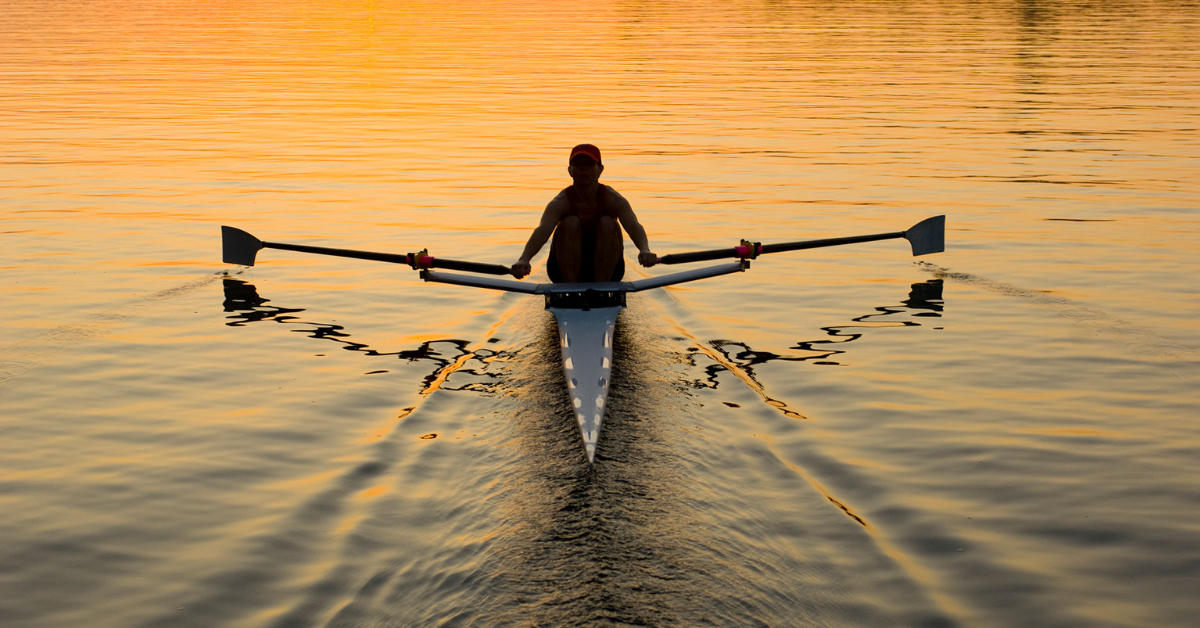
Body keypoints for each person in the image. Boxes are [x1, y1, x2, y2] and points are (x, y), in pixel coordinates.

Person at [511, 144, 657, 282]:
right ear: (570, 171)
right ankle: (571, 288)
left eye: (589, 165)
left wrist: (645, 250)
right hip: (563, 271)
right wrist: (524, 259)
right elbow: (542, 231)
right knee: (570, 223)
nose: (583, 170)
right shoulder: (560, 203)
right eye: (578, 165)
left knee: (608, 223)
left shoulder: (613, 200)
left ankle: (602, 289)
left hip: (609, 269)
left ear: (600, 169)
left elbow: (633, 226)